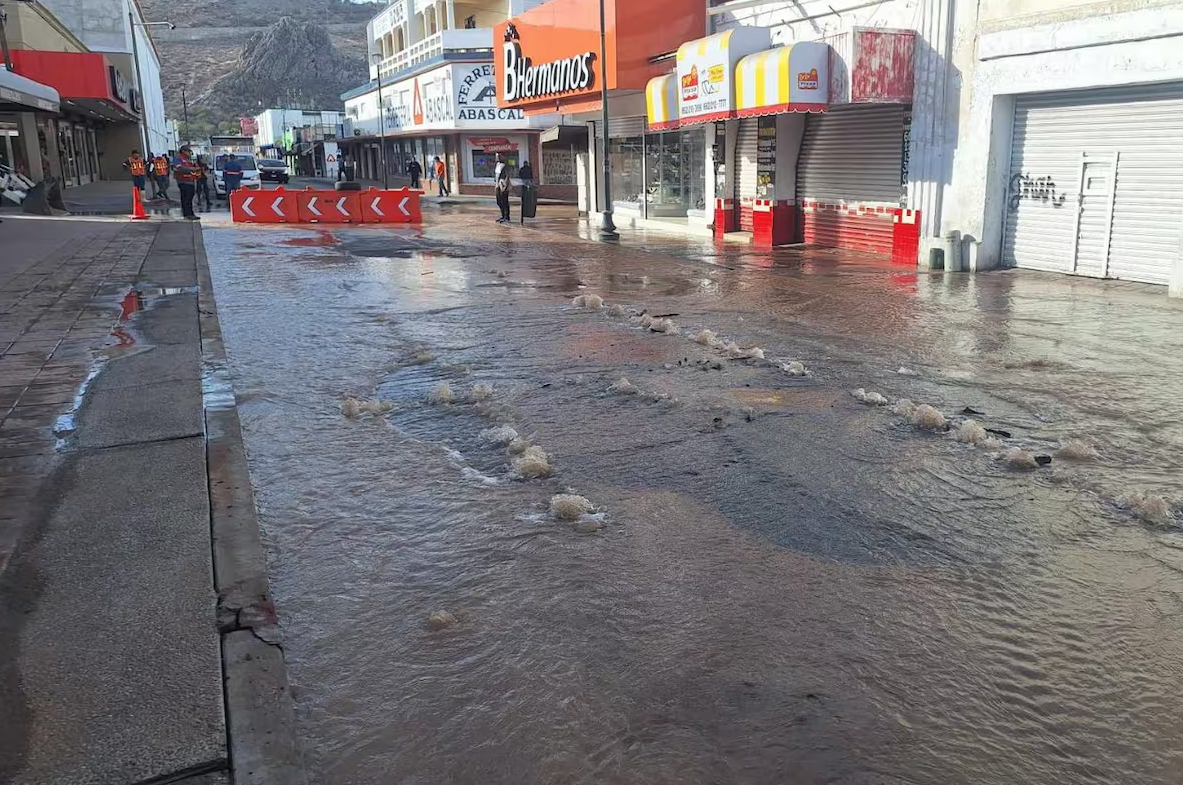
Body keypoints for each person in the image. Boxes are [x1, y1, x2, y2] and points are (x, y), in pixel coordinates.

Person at [172, 146, 201, 220]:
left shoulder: (188, 159)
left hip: (190, 180)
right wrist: (193, 169)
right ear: (183, 151)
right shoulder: (178, 158)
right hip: (183, 181)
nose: (189, 153)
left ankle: (190, 213)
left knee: (190, 197)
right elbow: (179, 168)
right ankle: (187, 214)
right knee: (186, 198)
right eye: (188, 151)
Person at [494, 154, 512, 224]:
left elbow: (507, 176)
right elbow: (496, 175)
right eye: (496, 156)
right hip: (497, 186)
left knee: (505, 201)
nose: (497, 157)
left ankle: (507, 217)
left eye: (499, 156)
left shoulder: (505, 165)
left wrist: (504, 185)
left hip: (503, 186)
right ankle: (503, 215)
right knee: (499, 201)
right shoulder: (497, 165)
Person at [517, 159, 535, 225]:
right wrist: (531, 179)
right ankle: (528, 195)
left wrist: (522, 178)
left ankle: (525, 194)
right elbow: (531, 173)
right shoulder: (529, 168)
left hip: (524, 179)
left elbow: (520, 174)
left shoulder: (522, 168)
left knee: (525, 187)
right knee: (529, 187)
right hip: (527, 179)